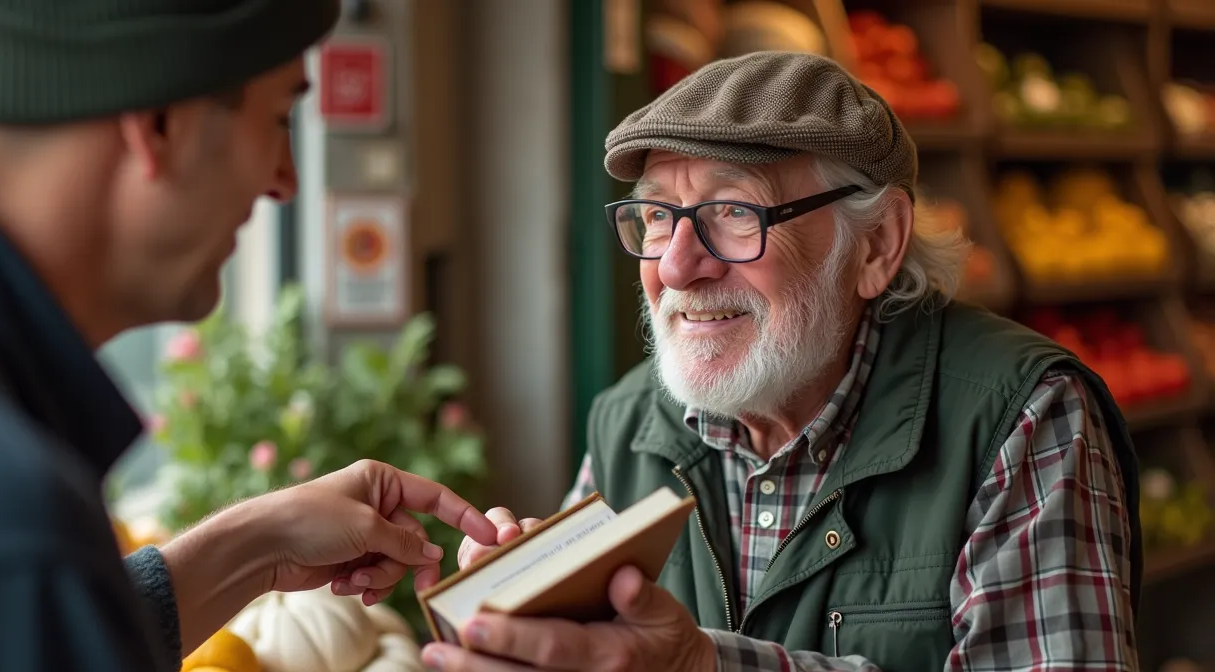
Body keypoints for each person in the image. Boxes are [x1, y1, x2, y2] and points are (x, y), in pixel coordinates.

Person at [434, 52, 1142, 672]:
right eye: (656, 216)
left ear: (875, 246)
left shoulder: (1020, 418)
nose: (677, 266)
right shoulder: (626, 422)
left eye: (735, 212)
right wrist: (534, 626)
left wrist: (702, 665)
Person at [0, 1, 498, 670]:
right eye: (278, 121)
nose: (286, 181)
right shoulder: (1, 534)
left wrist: (261, 545)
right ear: (157, 122)